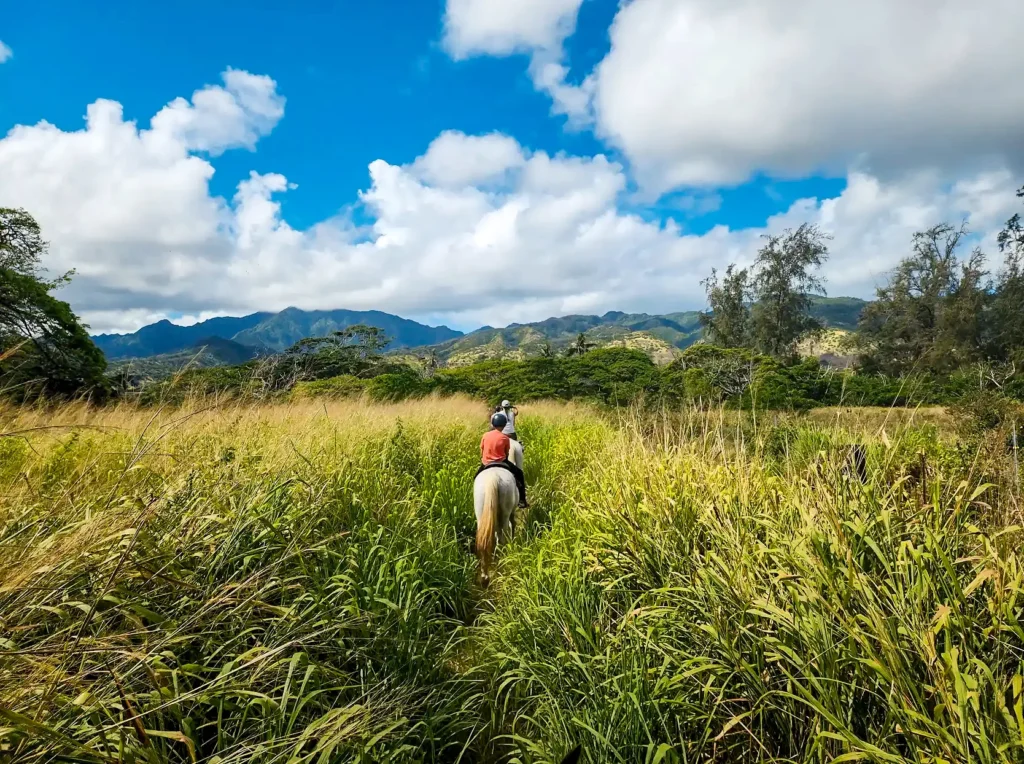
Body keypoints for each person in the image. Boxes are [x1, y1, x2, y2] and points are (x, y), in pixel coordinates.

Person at [477, 411, 528, 508]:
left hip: (486, 462)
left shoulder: (485, 435)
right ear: (504, 425)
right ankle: (522, 500)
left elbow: (482, 450)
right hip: (502, 462)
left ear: (493, 424)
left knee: (475, 477)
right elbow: (506, 453)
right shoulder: (505, 438)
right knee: (519, 474)